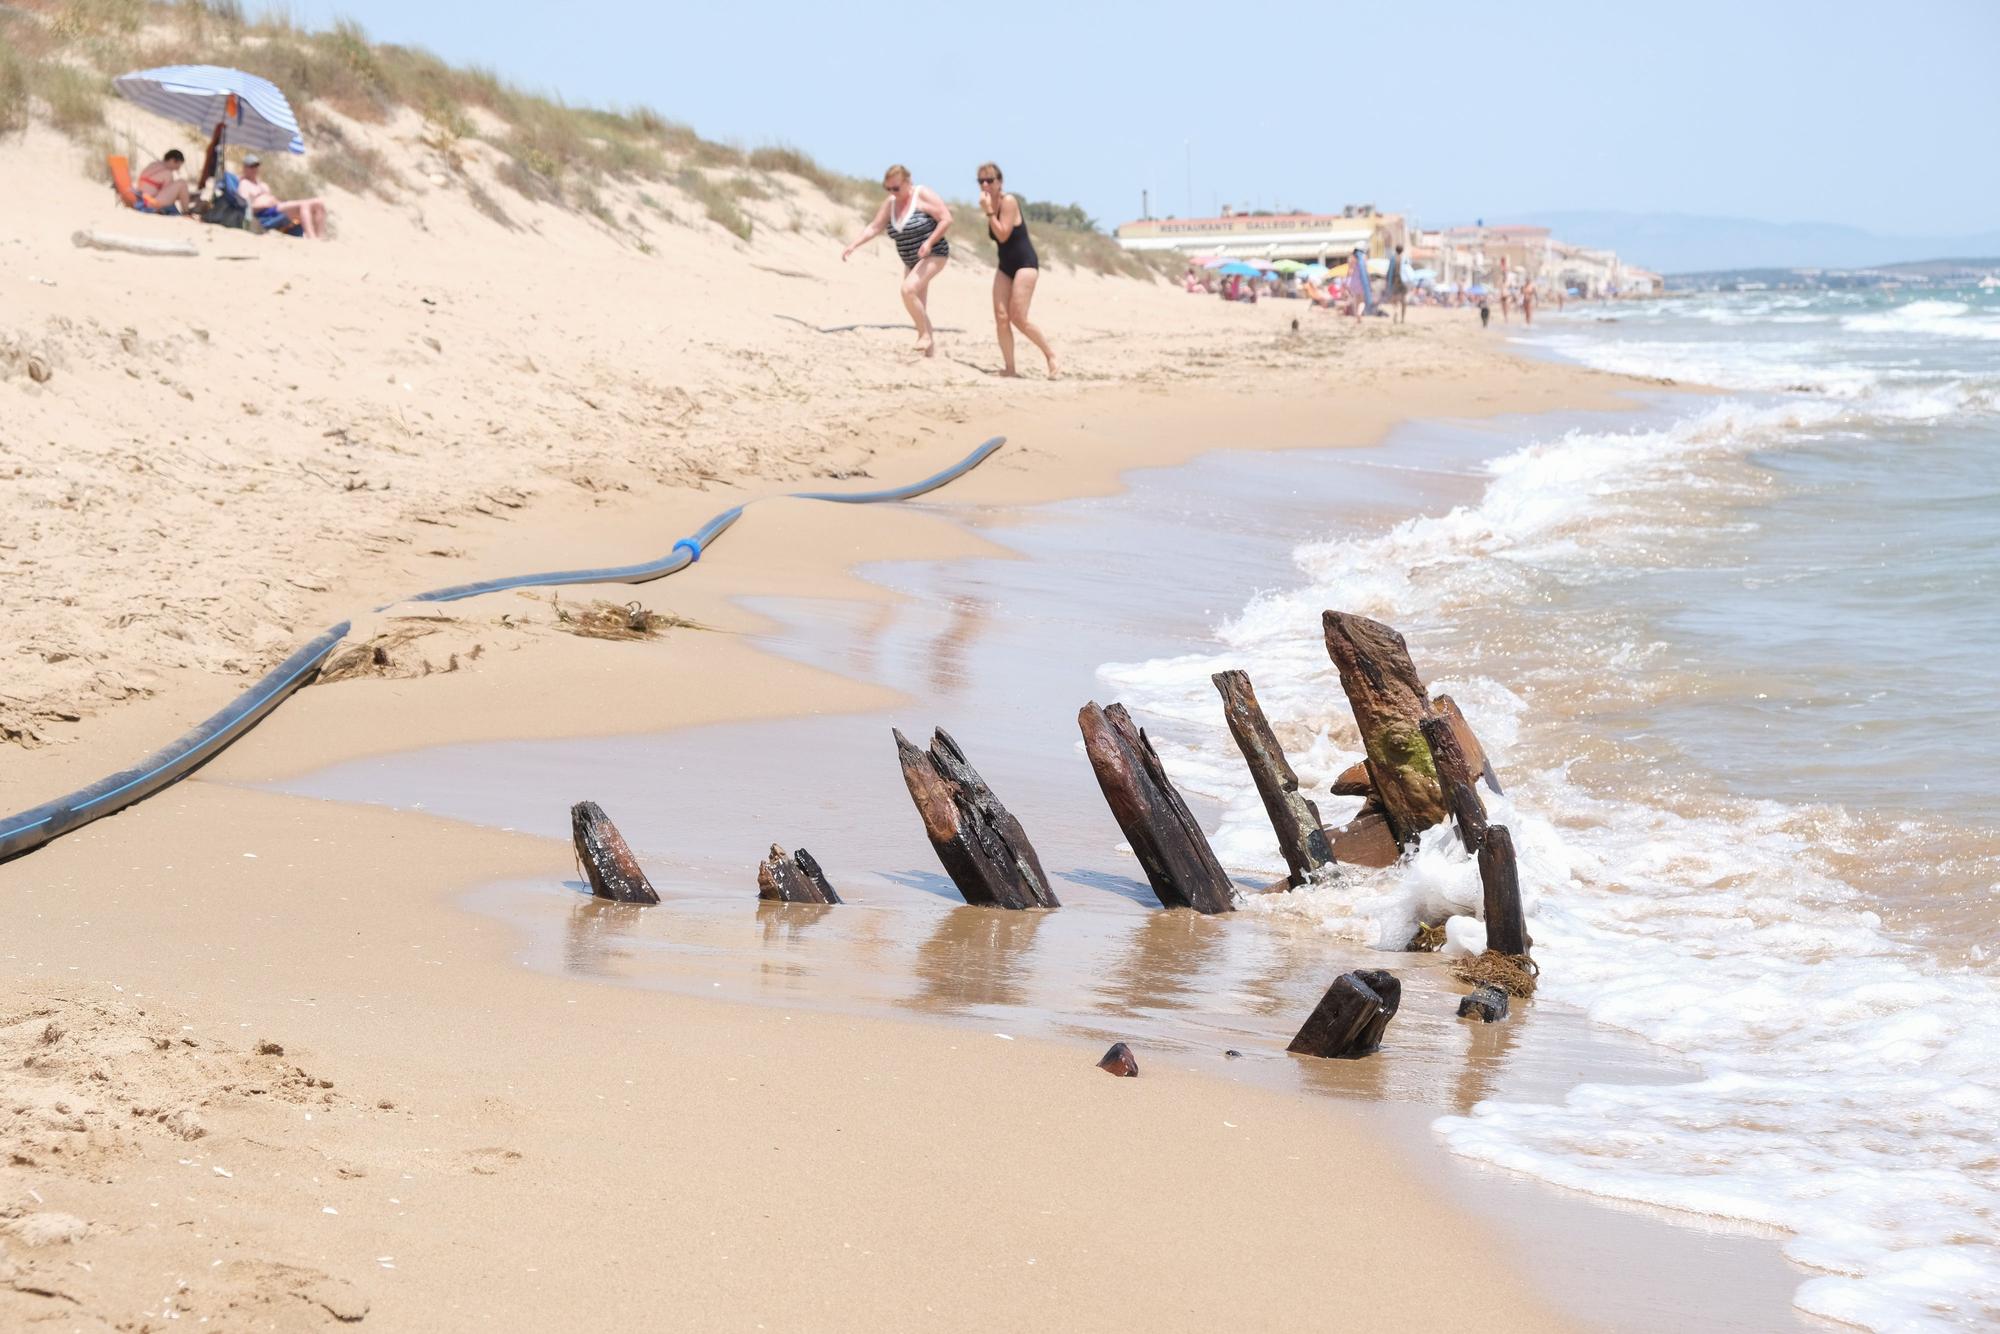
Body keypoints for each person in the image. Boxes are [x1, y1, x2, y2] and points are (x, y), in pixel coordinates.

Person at [842, 164, 952, 357]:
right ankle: (930, 356)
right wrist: (853, 245)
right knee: (918, 306)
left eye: (896, 188)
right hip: (911, 260)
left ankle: (924, 336)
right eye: (889, 189)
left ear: (908, 182)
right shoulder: (891, 203)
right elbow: (874, 227)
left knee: (907, 290)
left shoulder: (922, 194)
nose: (893, 192)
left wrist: (929, 242)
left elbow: (946, 218)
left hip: (933, 253)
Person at [976, 163, 1057, 378]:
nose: (985, 184)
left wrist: (989, 212)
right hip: (1005, 265)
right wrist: (989, 211)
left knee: (1018, 317)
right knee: (1001, 317)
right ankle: (1010, 368)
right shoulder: (990, 205)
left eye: (990, 180)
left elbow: (1003, 234)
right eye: (981, 181)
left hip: (1025, 264)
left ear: (1000, 182)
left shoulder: (1008, 201)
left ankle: (1051, 356)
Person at [238, 154, 328, 239]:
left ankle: (320, 236)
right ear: (245, 168)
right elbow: (244, 206)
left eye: (256, 166)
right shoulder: (244, 184)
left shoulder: (262, 185)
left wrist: (273, 201)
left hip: (276, 207)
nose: (254, 169)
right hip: (266, 213)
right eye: (251, 166)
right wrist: (265, 205)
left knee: (318, 203)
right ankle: (311, 237)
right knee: (304, 205)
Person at [134, 149, 194, 215]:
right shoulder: (167, 173)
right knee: (182, 183)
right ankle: (186, 212)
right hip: (148, 202)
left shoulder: (154, 164)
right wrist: (184, 196)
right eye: (179, 164)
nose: (178, 168)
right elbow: (169, 197)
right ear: (173, 160)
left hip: (140, 198)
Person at [1385, 243, 1409, 324]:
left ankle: (1396, 311)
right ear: (1402, 250)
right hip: (1404, 281)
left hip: (1395, 281)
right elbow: (1408, 270)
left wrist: (1388, 281)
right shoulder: (1405, 259)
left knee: (1395, 300)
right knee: (1404, 300)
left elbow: (1389, 271)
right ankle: (1403, 318)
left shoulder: (1393, 258)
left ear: (1395, 250)